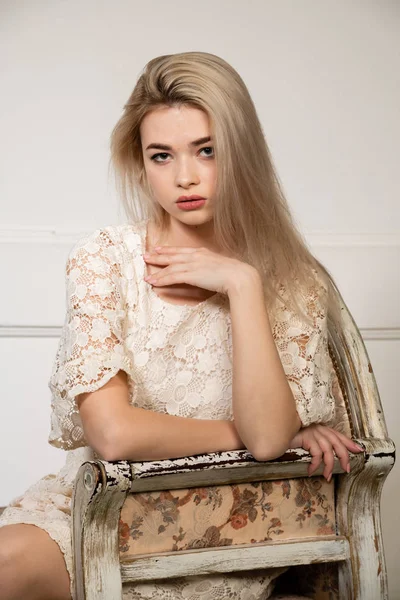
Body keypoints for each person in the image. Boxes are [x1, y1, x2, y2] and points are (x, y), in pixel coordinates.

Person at [0, 51, 363, 600]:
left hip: (227, 533)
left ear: (242, 154)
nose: (185, 177)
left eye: (207, 150)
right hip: (103, 515)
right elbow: (114, 434)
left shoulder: (294, 280)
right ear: (141, 164)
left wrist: (242, 284)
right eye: (162, 156)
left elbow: (268, 441)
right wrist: (254, 436)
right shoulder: (105, 259)